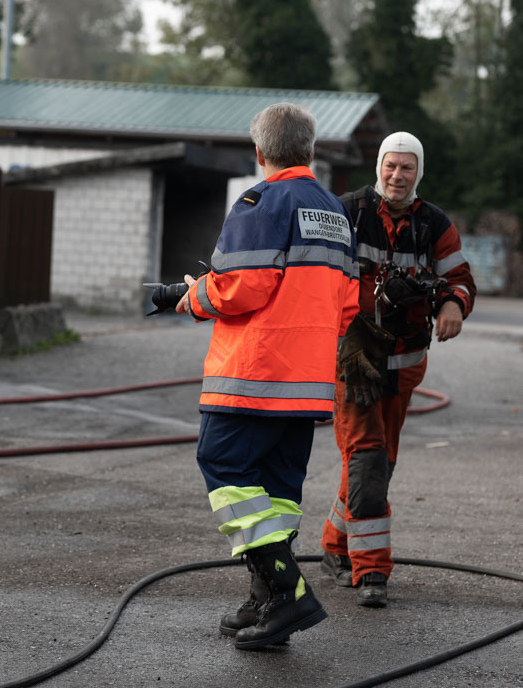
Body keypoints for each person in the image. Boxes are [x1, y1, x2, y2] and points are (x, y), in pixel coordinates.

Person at [175, 102, 359, 649]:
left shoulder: (262, 201)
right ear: (311, 150)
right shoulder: (333, 210)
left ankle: (287, 592)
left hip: (254, 377)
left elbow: (241, 286)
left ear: (260, 153)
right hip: (307, 383)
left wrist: (193, 296)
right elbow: (348, 302)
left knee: (224, 465)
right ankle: (267, 600)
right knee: (277, 488)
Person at [319, 131, 476, 609]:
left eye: (407, 167)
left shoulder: (434, 224)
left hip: (405, 365)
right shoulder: (347, 212)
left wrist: (452, 304)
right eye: (391, 165)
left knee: (377, 462)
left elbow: (459, 278)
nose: (397, 175)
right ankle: (371, 569)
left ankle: (334, 545)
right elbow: (317, 272)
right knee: (367, 456)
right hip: (353, 360)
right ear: (379, 167)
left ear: (418, 172)